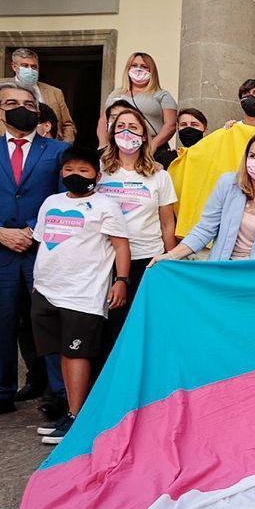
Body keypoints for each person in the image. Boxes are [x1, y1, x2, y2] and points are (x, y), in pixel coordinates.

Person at [0, 80, 70, 423]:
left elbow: (64, 199)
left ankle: (57, 393)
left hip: (42, 251)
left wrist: (32, 231)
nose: (22, 108)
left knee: (48, 324)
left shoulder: (57, 151)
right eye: (12, 102)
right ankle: (0, 392)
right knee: (0, 323)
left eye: (29, 103)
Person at [31, 147, 130, 444]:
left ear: (97, 176)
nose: (75, 175)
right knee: (62, 353)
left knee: (77, 354)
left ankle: (78, 419)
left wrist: (121, 280)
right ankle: (72, 413)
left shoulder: (105, 205)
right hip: (47, 291)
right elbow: (42, 241)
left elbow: (121, 246)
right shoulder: (51, 202)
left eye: (84, 171)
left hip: (83, 294)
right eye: (69, 170)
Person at [97, 106, 178, 352]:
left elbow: (167, 222)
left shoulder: (158, 175)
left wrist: (170, 259)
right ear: (111, 133)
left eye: (133, 127)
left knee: (139, 328)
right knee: (106, 329)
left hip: (145, 258)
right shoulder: (99, 171)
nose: (126, 132)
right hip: (104, 259)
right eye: (120, 127)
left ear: (144, 135)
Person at [153, 133, 255, 262]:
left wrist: (245, 273)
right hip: (219, 269)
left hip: (254, 274)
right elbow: (205, 228)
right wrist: (171, 256)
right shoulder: (228, 183)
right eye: (253, 156)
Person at [0, 48, 75, 153]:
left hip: (48, 148)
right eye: (25, 66)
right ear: (14, 66)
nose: (30, 70)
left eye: (34, 67)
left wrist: (66, 147)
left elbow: (68, 124)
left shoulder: (54, 92)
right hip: (8, 147)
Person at [97, 53, 177, 160]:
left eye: (144, 67)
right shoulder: (115, 94)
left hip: (151, 149)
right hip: (118, 148)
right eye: (134, 65)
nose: (138, 69)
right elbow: (103, 121)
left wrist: (153, 145)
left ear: (151, 71)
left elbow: (171, 124)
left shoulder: (162, 95)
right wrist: (103, 144)